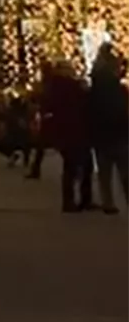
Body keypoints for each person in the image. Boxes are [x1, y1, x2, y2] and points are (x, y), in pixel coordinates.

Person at [41, 58, 94, 213]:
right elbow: (80, 102)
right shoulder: (68, 86)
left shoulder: (54, 87)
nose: (71, 70)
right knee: (75, 166)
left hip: (68, 131)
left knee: (79, 165)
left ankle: (80, 199)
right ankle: (73, 201)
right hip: (73, 130)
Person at [89, 41, 129, 215]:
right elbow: (121, 110)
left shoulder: (95, 85)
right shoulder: (116, 88)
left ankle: (108, 202)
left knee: (105, 172)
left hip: (101, 134)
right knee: (125, 171)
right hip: (118, 133)